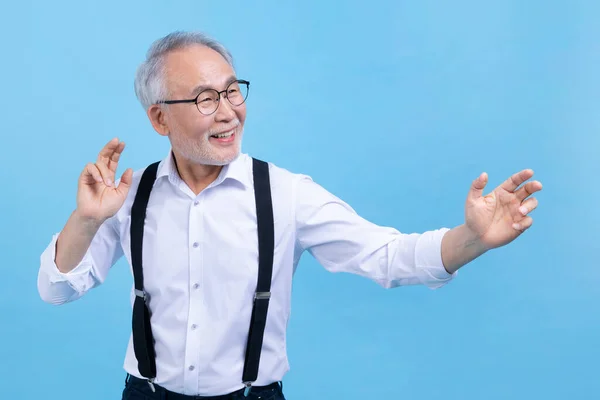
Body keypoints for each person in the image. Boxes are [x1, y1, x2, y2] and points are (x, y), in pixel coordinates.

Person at [37, 31, 542, 400]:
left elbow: (388, 257)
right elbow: (56, 290)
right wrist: (84, 220)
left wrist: (473, 239)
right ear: (159, 117)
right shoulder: (129, 196)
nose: (228, 111)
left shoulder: (285, 194)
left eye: (232, 91)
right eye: (205, 98)